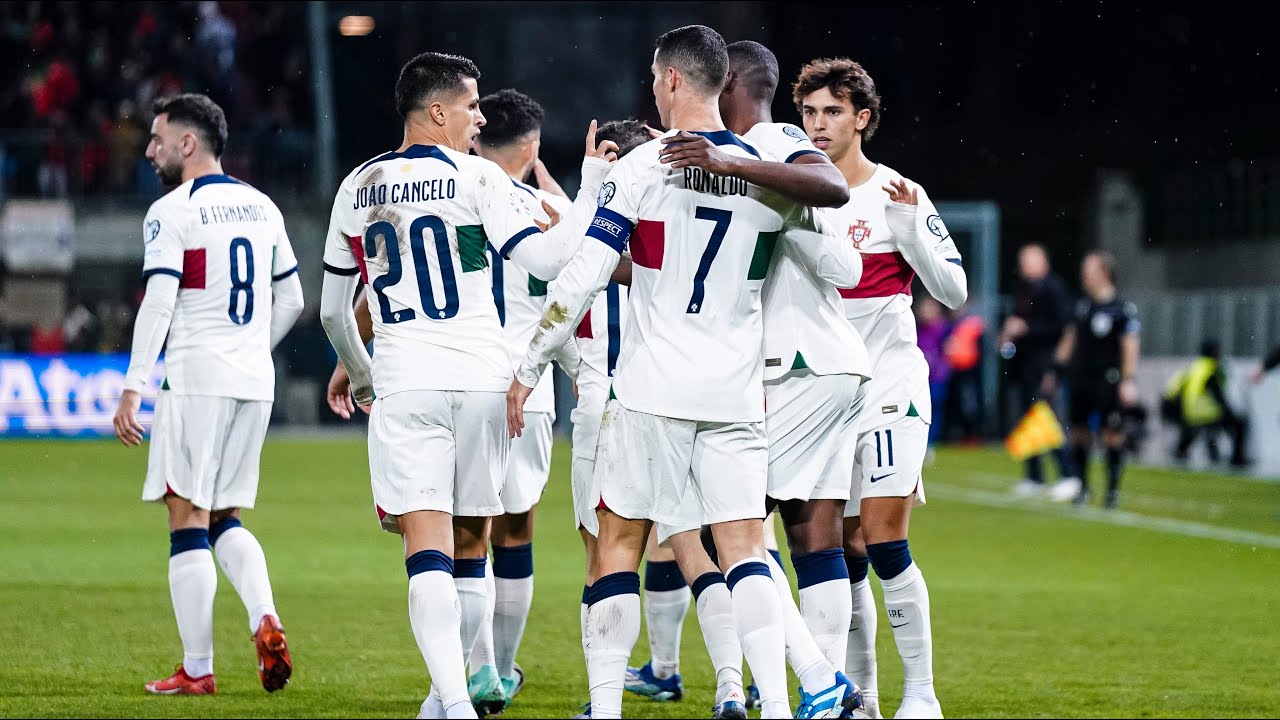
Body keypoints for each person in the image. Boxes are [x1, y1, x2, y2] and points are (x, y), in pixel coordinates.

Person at [507, 26, 857, 720]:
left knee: (620, 544)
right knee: (745, 549)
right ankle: (783, 703)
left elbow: (581, 276)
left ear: (669, 80)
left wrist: (528, 365)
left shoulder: (644, 168)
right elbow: (842, 266)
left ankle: (606, 709)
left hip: (652, 391)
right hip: (735, 393)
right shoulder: (771, 174)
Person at [318, 52, 608, 720]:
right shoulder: (480, 179)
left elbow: (335, 311)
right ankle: (451, 697)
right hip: (483, 380)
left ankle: (449, 699)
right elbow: (544, 258)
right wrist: (593, 191)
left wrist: (363, 377)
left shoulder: (358, 186)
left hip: (407, 380)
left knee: (427, 549)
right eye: (472, 105)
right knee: (474, 544)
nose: (481, 117)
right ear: (438, 110)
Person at [653, 38, 870, 719]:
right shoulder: (768, 152)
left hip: (797, 365)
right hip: (829, 366)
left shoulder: (771, 145)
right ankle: (815, 682)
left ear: (734, 84)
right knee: (810, 532)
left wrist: (767, 209)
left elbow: (844, 265)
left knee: (733, 530)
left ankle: (815, 683)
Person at [111, 93, 305, 696]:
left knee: (186, 515)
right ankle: (264, 616)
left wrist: (133, 385)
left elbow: (161, 301)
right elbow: (294, 299)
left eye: (157, 138)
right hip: (253, 380)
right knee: (227, 515)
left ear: (187, 144)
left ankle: (198, 668)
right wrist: (252, 348)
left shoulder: (172, 210)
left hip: (196, 377)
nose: (149, 149)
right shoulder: (263, 206)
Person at [795, 57, 968, 720]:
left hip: (890, 387)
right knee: (844, 550)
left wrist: (908, 236)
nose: (818, 125)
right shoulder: (795, 193)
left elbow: (953, 291)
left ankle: (921, 693)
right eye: (809, 112)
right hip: (823, 398)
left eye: (831, 111)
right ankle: (859, 696)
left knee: (885, 535)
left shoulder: (899, 193)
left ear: (862, 118)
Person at [1042, 251, 1140, 509]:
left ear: (1104, 273)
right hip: (1080, 379)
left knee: (1111, 432)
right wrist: (1055, 370)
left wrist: (1128, 379)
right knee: (1078, 433)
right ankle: (1083, 487)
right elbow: (1069, 339)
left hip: (1108, 379)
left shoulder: (1121, 309)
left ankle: (1112, 491)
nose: (1084, 276)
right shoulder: (1082, 306)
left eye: (1090, 270)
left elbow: (1130, 345)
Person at [1001, 244, 1079, 499]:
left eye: (1030, 260)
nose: (1025, 266)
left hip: (1044, 364)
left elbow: (1062, 327)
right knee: (1028, 420)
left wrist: (1027, 328)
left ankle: (1068, 474)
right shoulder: (1023, 289)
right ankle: (1034, 476)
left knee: (1049, 420)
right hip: (1025, 366)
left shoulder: (1053, 288)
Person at [1166, 340, 1249, 468]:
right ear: (1214, 352)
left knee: (1193, 429)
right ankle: (1237, 458)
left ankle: (1180, 451)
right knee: (1239, 423)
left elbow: (1177, 390)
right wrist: (1229, 412)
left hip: (1190, 411)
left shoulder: (1194, 366)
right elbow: (1217, 394)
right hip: (1207, 412)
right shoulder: (1212, 368)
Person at [915, 297, 952, 447]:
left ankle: (931, 442)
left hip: (937, 376)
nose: (926, 312)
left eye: (930, 308)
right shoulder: (915, 329)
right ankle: (918, 441)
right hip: (919, 377)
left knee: (934, 410)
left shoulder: (945, 329)